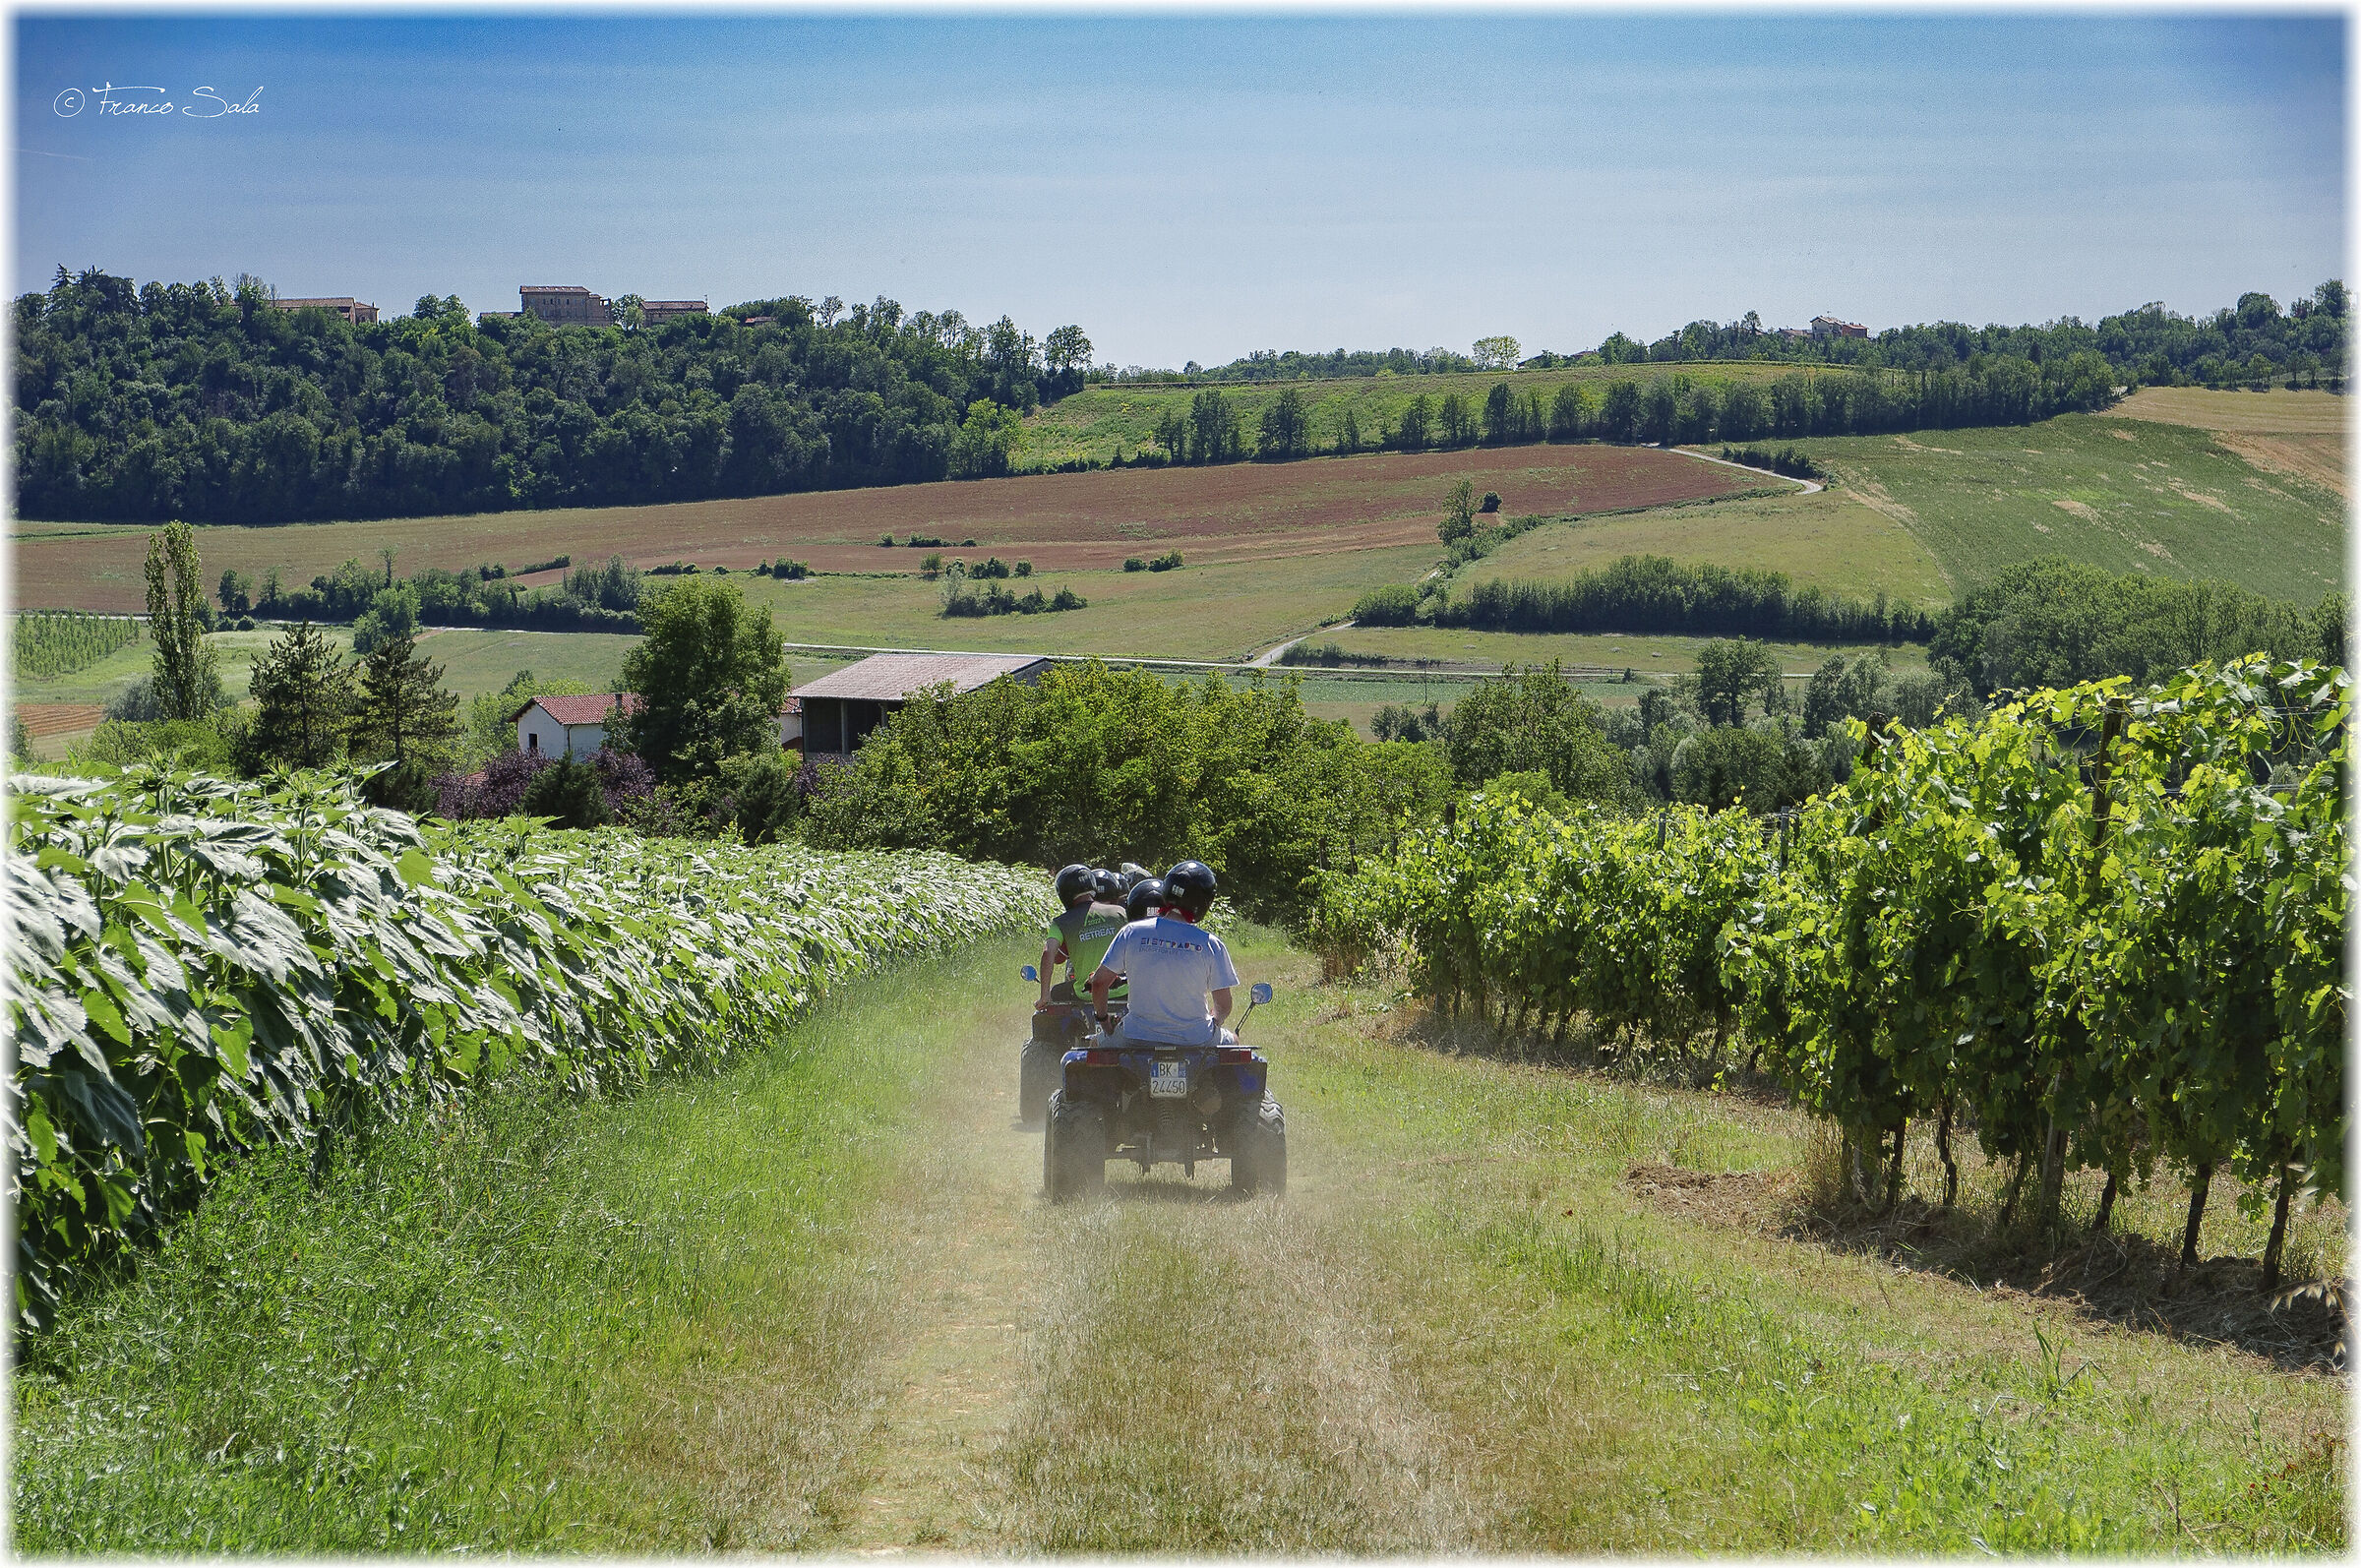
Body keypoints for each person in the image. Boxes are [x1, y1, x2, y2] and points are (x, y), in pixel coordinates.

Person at [1089, 860, 1237, 1046]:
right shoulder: (1211, 944)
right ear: (1204, 902)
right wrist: (1215, 1021)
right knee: (1234, 1041)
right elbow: (1223, 1005)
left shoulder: (1131, 932)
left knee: (1095, 1045)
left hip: (1135, 1035)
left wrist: (1104, 1022)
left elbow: (1099, 982)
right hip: (1196, 1038)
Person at [1040, 863, 1128, 1012]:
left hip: (1086, 994)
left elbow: (1048, 952)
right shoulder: (1119, 912)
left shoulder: (1061, 922)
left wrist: (1044, 996)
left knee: (1056, 993)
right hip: (1123, 990)